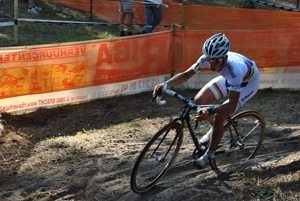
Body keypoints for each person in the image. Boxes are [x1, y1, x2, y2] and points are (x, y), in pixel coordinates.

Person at [153, 33, 260, 169]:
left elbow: (232, 104)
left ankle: (210, 154)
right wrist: (166, 84)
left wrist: (211, 110)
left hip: (248, 83)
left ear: (224, 58)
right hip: (230, 79)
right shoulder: (207, 59)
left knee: (220, 114)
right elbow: (186, 74)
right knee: (199, 100)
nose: (210, 64)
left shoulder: (235, 70)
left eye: (215, 61)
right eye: (209, 59)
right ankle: (215, 128)